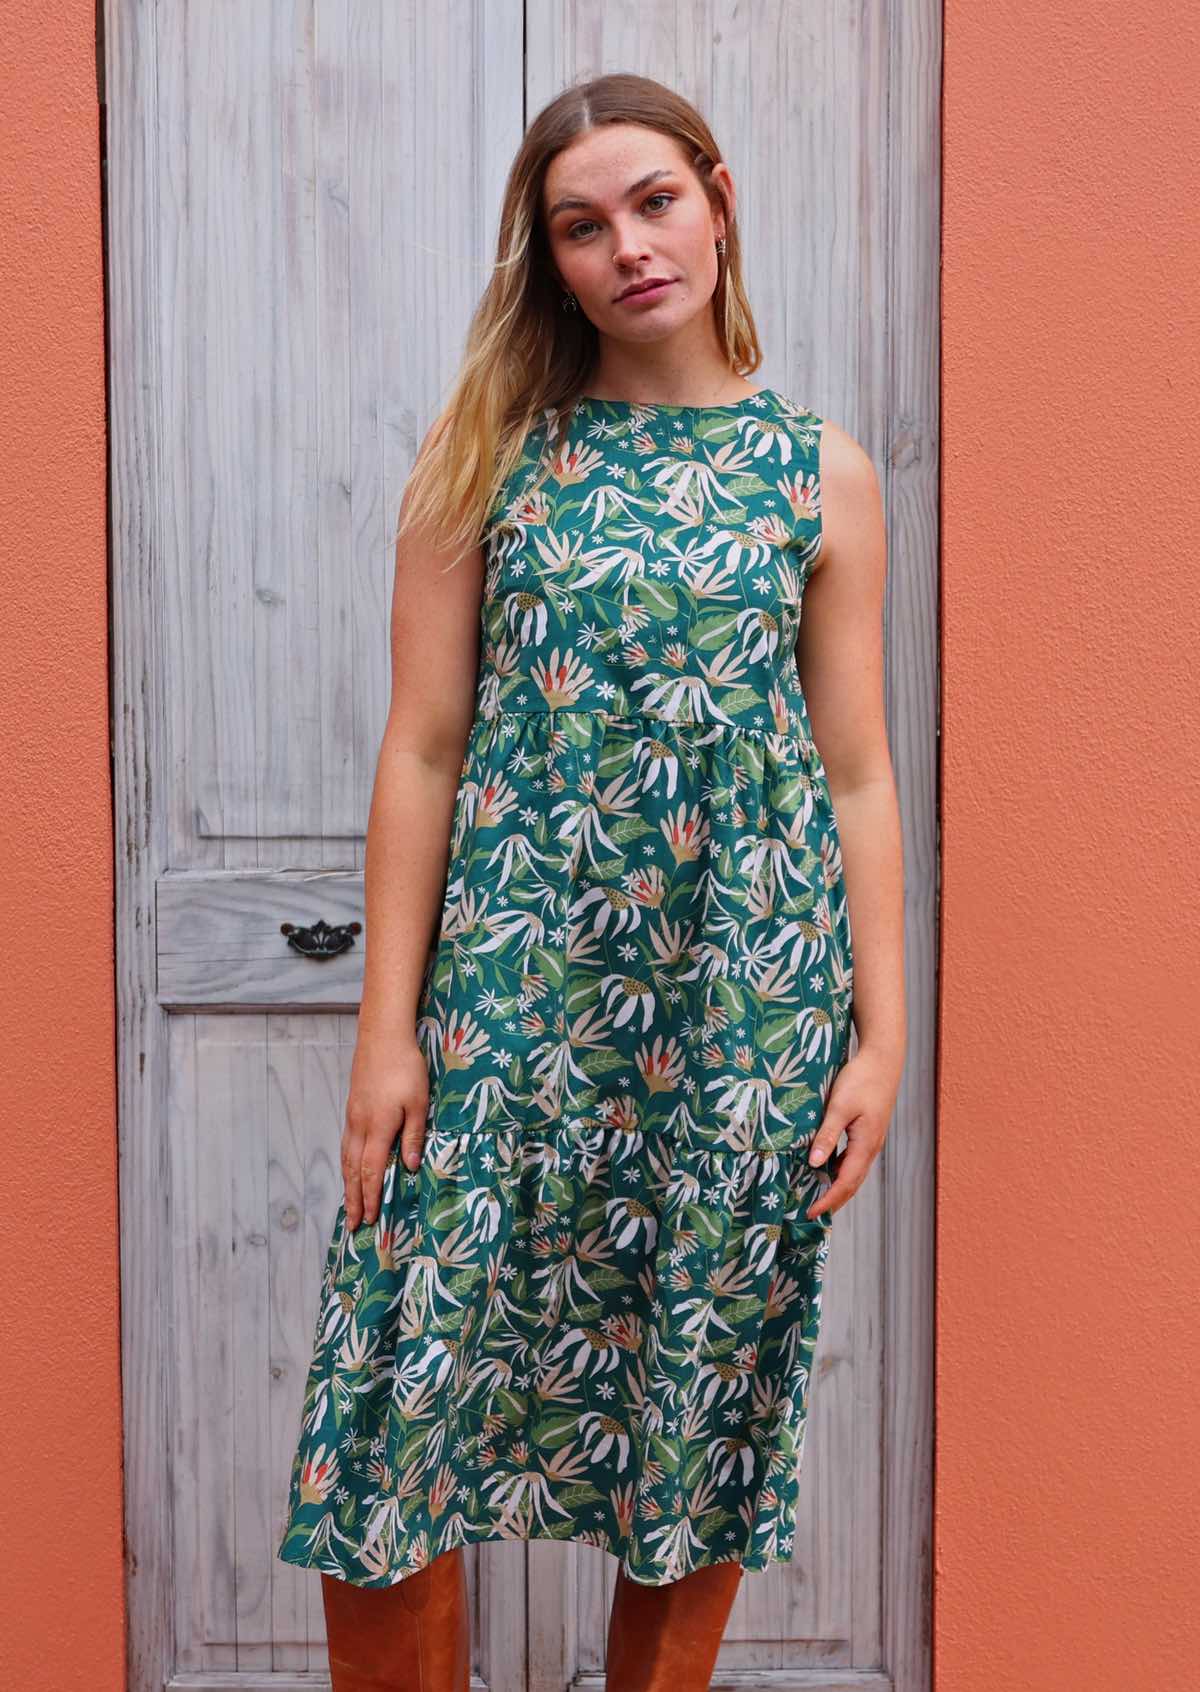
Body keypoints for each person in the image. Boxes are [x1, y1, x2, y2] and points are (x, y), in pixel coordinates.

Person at [276, 70, 906, 1692]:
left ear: (717, 198)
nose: (628, 247)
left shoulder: (819, 474)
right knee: (401, 1404)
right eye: (580, 226)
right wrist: (384, 1034)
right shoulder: (492, 451)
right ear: (548, 260)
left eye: (653, 203)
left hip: (741, 1009)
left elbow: (856, 774)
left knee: (691, 1414)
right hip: (508, 998)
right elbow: (421, 750)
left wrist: (882, 1037)